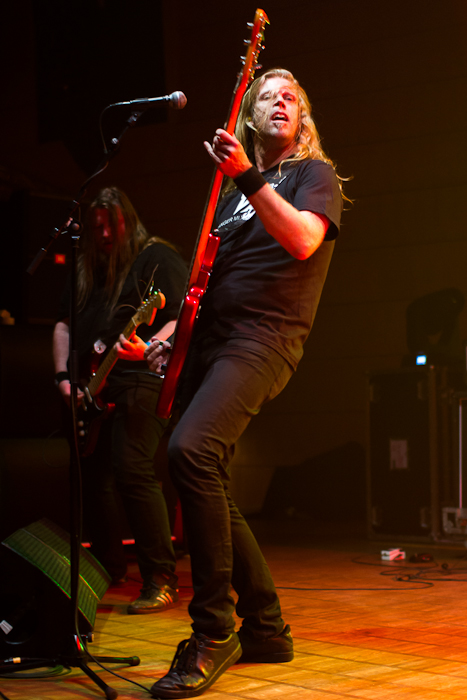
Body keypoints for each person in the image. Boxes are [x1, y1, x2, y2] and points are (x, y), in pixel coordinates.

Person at [146, 68, 345, 698]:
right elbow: (207, 278)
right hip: (214, 339)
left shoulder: (314, 177)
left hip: (265, 339)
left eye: (293, 98)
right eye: (269, 97)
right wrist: (165, 336)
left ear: (303, 117)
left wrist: (247, 177)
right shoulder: (230, 197)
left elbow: (304, 241)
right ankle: (265, 626)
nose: (282, 103)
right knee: (202, 471)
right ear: (249, 119)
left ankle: (212, 632)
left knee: (192, 451)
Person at [53, 186, 187, 614]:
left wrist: (150, 346)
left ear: (127, 219)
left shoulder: (156, 258)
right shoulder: (89, 269)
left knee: (132, 469)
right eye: (95, 228)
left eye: (110, 224)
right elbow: (62, 325)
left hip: (143, 376)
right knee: (91, 479)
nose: (103, 234)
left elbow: (183, 314)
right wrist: (62, 378)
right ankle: (109, 567)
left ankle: (161, 578)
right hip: (94, 386)